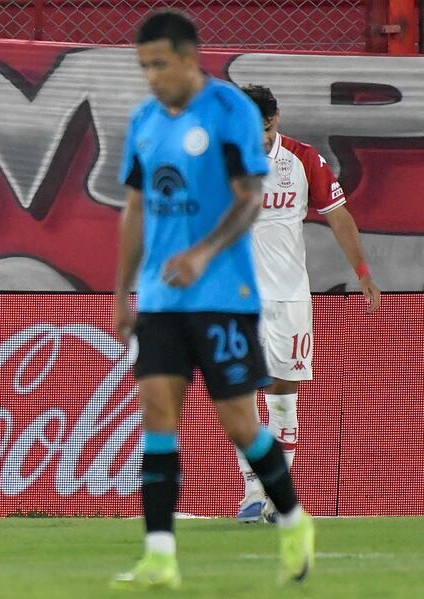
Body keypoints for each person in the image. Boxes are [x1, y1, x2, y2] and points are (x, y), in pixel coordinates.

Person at [110, 11, 314, 589]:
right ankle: (159, 554)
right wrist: (122, 293)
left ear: (189, 58)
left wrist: (202, 252)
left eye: (159, 64)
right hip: (159, 298)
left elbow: (250, 197)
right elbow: (133, 210)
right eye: (143, 65)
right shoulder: (145, 120)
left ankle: (294, 520)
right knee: (156, 412)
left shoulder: (229, 112)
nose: (151, 76)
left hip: (224, 294)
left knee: (238, 422)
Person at [233, 85, 381, 523]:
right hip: (238, 299)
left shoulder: (302, 159)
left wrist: (364, 274)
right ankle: (251, 492)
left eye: (261, 128)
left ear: (274, 119)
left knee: (283, 393)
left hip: (289, 295)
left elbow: (339, 216)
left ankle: (279, 496)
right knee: (240, 394)